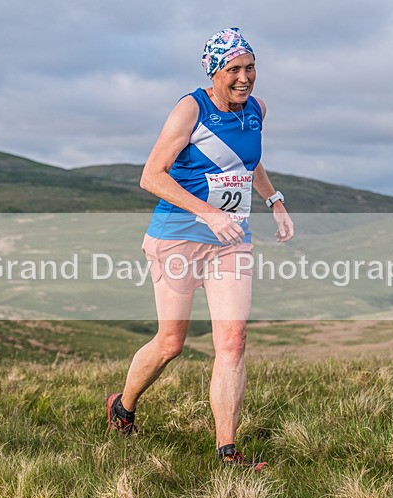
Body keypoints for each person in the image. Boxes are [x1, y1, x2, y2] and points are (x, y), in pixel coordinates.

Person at [106, 27, 293, 470]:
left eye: (250, 68)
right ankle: (123, 405)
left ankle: (227, 451)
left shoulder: (256, 111)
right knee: (171, 343)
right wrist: (208, 212)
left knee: (233, 341)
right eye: (234, 69)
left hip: (231, 241)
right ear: (214, 71)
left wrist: (275, 201)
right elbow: (151, 175)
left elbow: (246, 162)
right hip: (179, 236)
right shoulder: (192, 108)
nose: (244, 78)